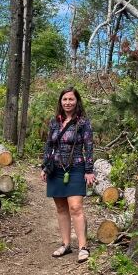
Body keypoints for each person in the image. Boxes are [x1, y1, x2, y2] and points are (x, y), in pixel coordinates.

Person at [41, 86, 95, 263]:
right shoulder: (55, 121)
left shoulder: (83, 122)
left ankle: (83, 246)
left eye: (71, 99)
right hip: (55, 169)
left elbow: (88, 146)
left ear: (77, 101)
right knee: (61, 208)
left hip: (76, 167)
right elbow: (49, 145)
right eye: (64, 99)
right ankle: (65, 244)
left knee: (75, 207)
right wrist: (45, 166)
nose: (68, 102)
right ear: (60, 102)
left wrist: (89, 170)